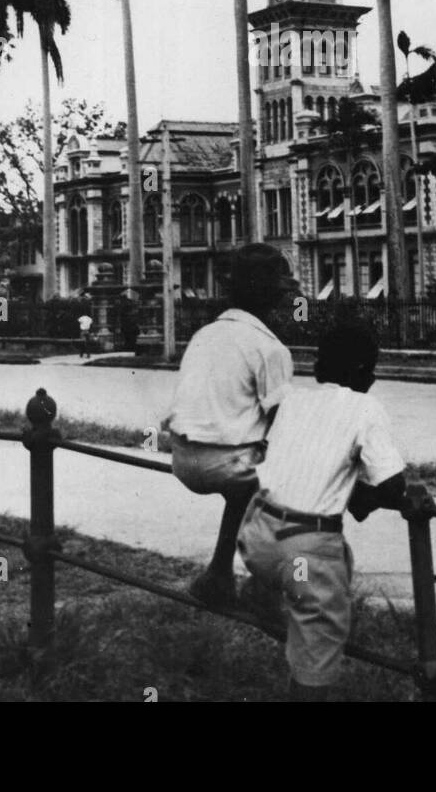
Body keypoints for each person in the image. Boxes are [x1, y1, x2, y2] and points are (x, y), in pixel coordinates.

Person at [237, 324, 405, 702]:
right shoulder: (366, 407)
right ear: (364, 372)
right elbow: (393, 486)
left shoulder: (292, 401)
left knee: (316, 570)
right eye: (372, 370)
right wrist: (369, 498)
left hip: (259, 534)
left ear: (318, 368)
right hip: (306, 551)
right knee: (320, 636)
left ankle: (266, 591)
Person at [164, 243, 298, 607]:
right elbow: (283, 421)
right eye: (281, 293)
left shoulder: (205, 334)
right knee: (292, 479)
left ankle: (219, 573)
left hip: (183, 458)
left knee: (249, 483)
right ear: (269, 295)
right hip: (225, 464)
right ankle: (266, 587)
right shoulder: (268, 347)